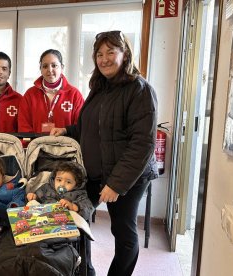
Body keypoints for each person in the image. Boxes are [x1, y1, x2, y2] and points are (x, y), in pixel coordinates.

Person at [50, 30, 158, 276]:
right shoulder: (100, 88)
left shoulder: (139, 89)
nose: (104, 58)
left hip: (128, 177)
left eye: (111, 52)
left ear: (125, 54)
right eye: (99, 53)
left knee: (123, 232)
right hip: (97, 173)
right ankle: (85, 270)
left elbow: (142, 144)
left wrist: (116, 185)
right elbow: (90, 126)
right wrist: (67, 130)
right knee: (76, 215)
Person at [18, 49, 84, 133]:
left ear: (62, 67)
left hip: (66, 145)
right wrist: (34, 145)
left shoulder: (74, 95)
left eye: (54, 65)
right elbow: (24, 127)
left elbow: (80, 127)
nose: (49, 69)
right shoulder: (30, 95)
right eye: (45, 66)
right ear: (40, 69)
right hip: (37, 146)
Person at [26, 161, 94, 220]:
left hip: (66, 221)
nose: (62, 184)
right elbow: (37, 197)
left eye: (68, 182)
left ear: (76, 184)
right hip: (46, 217)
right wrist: (34, 196)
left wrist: (74, 206)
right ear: (54, 178)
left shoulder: (80, 194)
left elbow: (88, 208)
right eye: (59, 180)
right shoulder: (46, 188)